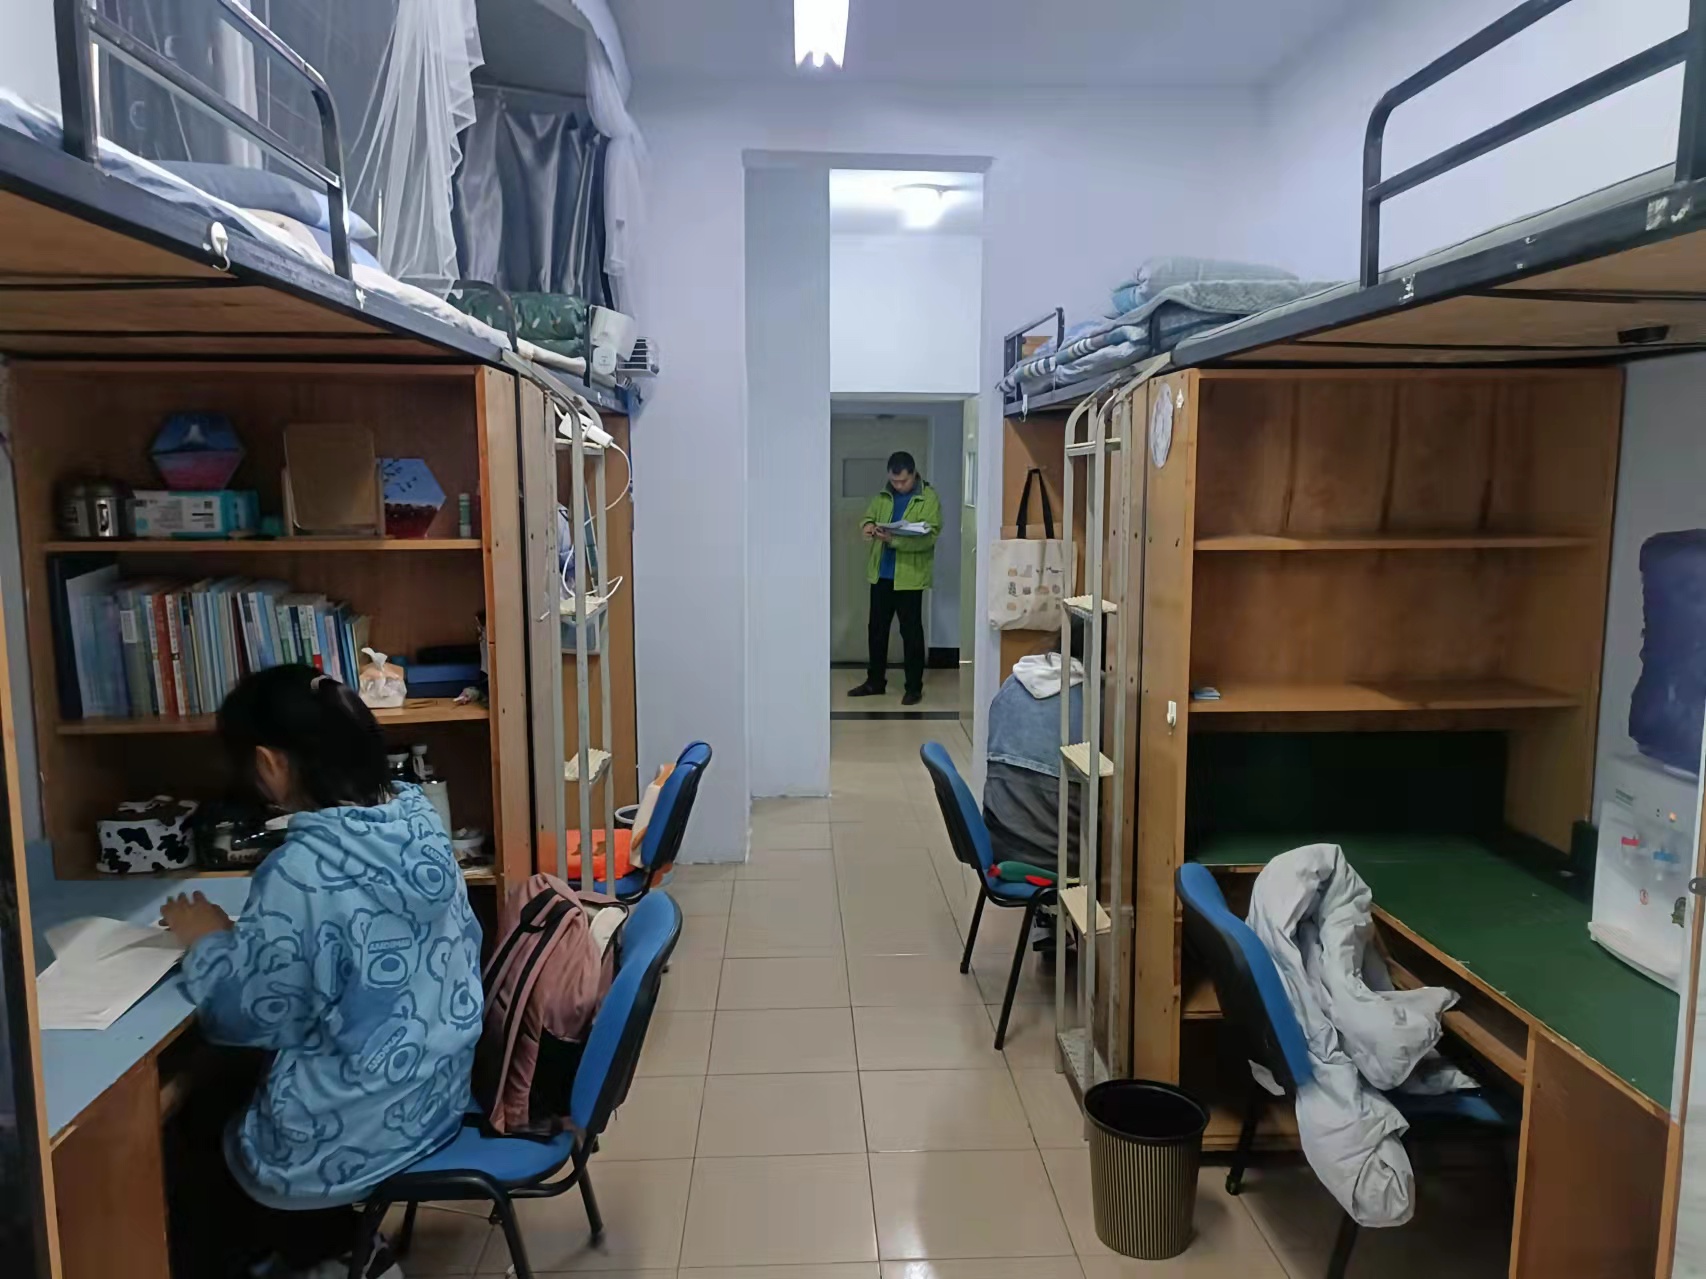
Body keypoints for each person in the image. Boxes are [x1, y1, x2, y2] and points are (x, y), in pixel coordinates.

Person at [159, 665, 483, 1279]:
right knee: (228, 1092)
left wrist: (210, 945)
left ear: (269, 762)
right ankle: (332, 1243)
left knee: (192, 1129)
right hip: (433, 1094)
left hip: (352, 1130)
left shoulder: (299, 872)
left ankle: (319, 1251)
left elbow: (244, 1018)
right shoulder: (420, 821)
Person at [847, 450, 943, 706]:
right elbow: (868, 516)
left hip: (909, 577)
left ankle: (913, 687)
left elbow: (929, 538)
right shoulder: (884, 495)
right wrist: (868, 526)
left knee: (910, 633)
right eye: (894, 481)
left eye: (903, 481)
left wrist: (894, 540)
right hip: (881, 574)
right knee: (876, 630)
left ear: (914, 474)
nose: (898, 486)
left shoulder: (928, 498)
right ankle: (875, 681)